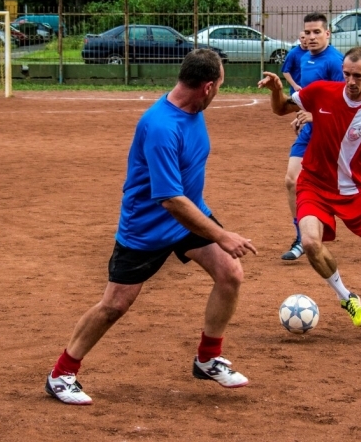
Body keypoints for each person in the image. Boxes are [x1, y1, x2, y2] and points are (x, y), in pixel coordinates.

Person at [45, 49, 256, 405]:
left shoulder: (192, 109)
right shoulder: (161, 126)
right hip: (148, 227)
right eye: (219, 83)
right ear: (206, 87)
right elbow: (170, 199)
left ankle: (206, 359)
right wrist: (221, 234)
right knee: (114, 304)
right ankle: (61, 374)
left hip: (190, 216)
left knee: (230, 273)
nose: (220, 89)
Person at [258, 46, 361, 347]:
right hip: (315, 184)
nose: (351, 81)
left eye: (357, 76)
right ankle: (347, 297)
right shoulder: (320, 91)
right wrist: (276, 90)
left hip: (355, 189)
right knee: (309, 243)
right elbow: (281, 109)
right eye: (346, 74)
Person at [280, 12, 361, 261]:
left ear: (327, 34)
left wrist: (317, 116)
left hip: (334, 129)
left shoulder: (336, 62)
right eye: (307, 32)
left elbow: (346, 99)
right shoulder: (303, 57)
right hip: (311, 129)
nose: (311, 37)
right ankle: (302, 236)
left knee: (356, 177)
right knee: (292, 180)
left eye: (317, 32)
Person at [281, 30, 308, 95]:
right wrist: (294, 85)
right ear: (299, 39)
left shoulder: (315, 52)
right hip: (297, 90)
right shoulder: (293, 53)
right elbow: (285, 71)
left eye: (307, 37)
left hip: (311, 90)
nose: (305, 40)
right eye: (303, 37)